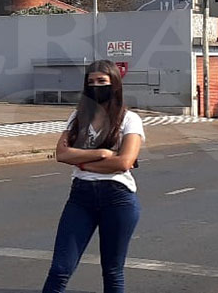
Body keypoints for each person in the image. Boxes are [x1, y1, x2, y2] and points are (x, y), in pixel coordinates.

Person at [42, 60, 144, 293]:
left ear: (114, 84)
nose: (96, 86)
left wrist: (80, 162)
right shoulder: (78, 117)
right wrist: (101, 154)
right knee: (60, 269)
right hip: (81, 198)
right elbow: (61, 154)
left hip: (117, 199)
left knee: (112, 271)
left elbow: (124, 162)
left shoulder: (129, 119)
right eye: (91, 82)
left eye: (102, 81)